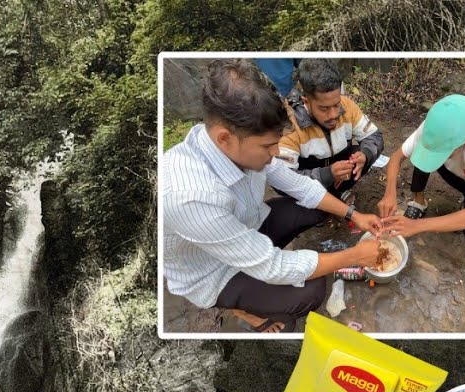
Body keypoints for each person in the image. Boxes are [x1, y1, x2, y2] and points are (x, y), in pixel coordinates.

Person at [162, 60, 382, 333]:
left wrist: (354, 215)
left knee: (315, 208)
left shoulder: (239, 142)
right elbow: (272, 266)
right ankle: (248, 312)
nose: (277, 153)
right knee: (312, 290)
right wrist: (354, 256)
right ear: (224, 138)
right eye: (268, 146)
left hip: (248, 228)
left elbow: (302, 187)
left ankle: (264, 288)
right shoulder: (191, 197)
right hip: (215, 270)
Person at [378, 94, 465, 245]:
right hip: (456, 171)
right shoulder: (437, 123)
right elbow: (396, 158)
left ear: (464, 140)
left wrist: (416, 226)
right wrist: (389, 194)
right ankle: (418, 201)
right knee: (423, 155)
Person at [278, 59, 384, 200]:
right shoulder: (289, 124)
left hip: (341, 170)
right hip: (310, 182)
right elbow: (281, 179)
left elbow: (375, 136)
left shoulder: (347, 105)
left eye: (336, 104)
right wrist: (327, 174)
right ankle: (326, 201)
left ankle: (337, 194)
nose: (334, 115)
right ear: (306, 102)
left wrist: (365, 155)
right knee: (308, 214)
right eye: (324, 108)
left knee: (361, 154)